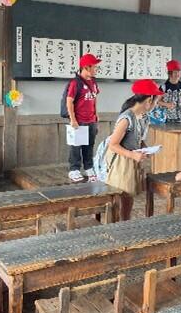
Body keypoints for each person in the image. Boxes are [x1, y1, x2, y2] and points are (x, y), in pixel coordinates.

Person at [106, 79, 163, 220]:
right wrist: (132, 155)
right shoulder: (126, 118)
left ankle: (125, 222)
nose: (156, 104)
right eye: (156, 101)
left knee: (128, 196)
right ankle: (117, 226)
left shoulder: (144, 117)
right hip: (121, 163)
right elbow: (113, 145)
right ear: (149, 100)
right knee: (120, 197)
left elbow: (139, 139)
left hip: (132, 160)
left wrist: (146, 149)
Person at [66, 53, 101, 183]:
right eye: (94, 67)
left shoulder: (94, 82)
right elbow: (69, 101)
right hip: (79, 121)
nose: (96, 69)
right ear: (86, 67)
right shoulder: (76, 83)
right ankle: (74, 169)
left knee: (89, 145)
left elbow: (94, 99)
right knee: (76, 146)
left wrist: (96, 114)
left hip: (91, 120)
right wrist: (73, 119)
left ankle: (89, 167)